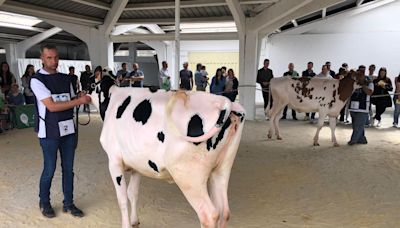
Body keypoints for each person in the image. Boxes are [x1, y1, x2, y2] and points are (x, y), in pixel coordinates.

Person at [30, 44, 91, 218]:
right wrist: (78, 102)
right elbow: (52, 106)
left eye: (56, 57)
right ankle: (44, 201)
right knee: (49, 169)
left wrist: (80, 97)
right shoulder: (36, 80)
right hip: (48, 132)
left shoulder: (66, 79)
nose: (54, 61)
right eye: (49, 58)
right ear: (42, 59)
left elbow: (70, 98)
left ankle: (69, 203)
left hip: (68, 130)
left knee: (68, 169)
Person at [348, 69, 374, 145]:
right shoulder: (353, 82)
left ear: (363, 75)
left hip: (363, 107)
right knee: (356, 125)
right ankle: (362, 139)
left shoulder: (369, 82)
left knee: (357, 126)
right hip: (352, 106)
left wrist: (362, 85)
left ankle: (353, 140)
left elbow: (369, 92)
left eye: (359, 75)